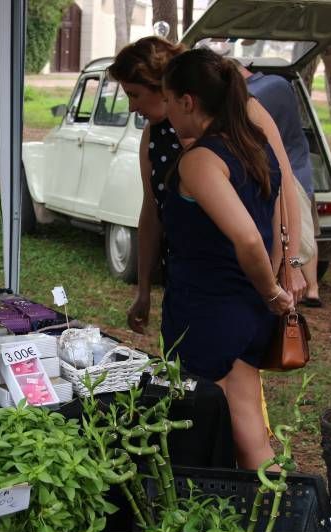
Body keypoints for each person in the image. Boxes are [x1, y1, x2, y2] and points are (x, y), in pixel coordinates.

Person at [107, 37, 306, 335]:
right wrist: (144, 289)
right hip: (189, 285)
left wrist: (290, 265)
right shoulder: (155, 136)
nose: (132, 107)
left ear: (166, 91)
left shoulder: (242, 114)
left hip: (239, 282)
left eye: (134, 94)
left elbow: (282, 187)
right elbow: (152, 210)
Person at [159, 48, 294, 469]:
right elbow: (275, 226)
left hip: (208, 312)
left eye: (166, 100)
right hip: (243, 308)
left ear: (188, 101)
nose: (164, 112)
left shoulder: (200, 160)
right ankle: (277, 518)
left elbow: (250, 238)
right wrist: (264, 291)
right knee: (250, 434)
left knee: (200, 437)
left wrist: (271, 291)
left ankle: (242, 519)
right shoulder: (254, 146)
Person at [239, 64, 323, 307]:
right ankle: (313, 288)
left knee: (301, 235)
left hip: (291, 173)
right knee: (307, 234)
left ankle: (306, 282)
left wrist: (290, 266)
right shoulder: (279, 84)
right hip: (297, 169)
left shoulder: (265, 89)